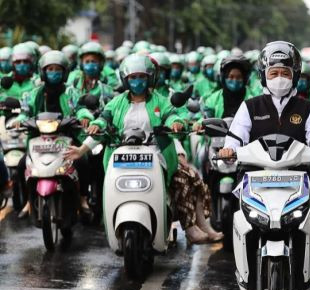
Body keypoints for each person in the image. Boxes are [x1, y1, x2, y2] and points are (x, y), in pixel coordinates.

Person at [64, 54, 222, 244]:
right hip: (122, 156)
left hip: (155, 154)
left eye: (141, 77)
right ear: (125, 79)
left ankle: (191, 227)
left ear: (150, 78)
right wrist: (84, 146)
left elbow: (170, 116)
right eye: (133, 77)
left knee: (184, 178)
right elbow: (103, 120)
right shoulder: (116, 102)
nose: (137, 81)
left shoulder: (160, 100)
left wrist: (176, 123)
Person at [217, 41, 310, 225]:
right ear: (264, 76)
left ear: (295, 76)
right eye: (274, 73)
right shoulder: (249, 106)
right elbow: (236, 135)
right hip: (256, 174)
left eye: (285, 73)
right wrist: (229, 150)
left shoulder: (307, 108)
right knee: (239, 211)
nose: (280, 78)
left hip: (297, 174)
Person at [15, 50, 94, 218]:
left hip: (67, 137)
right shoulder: (35, 93)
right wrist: (20, 119)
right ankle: (29, 200)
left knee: (83, 161)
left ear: (64, 72)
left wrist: (85, 117)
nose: (53, 73)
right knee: (23, 165)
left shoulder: (71, 92)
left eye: (57, 69)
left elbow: (80, 109)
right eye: (49, 69)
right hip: (40, 139)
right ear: (43, 71)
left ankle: (82, 198)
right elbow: (26, 110)